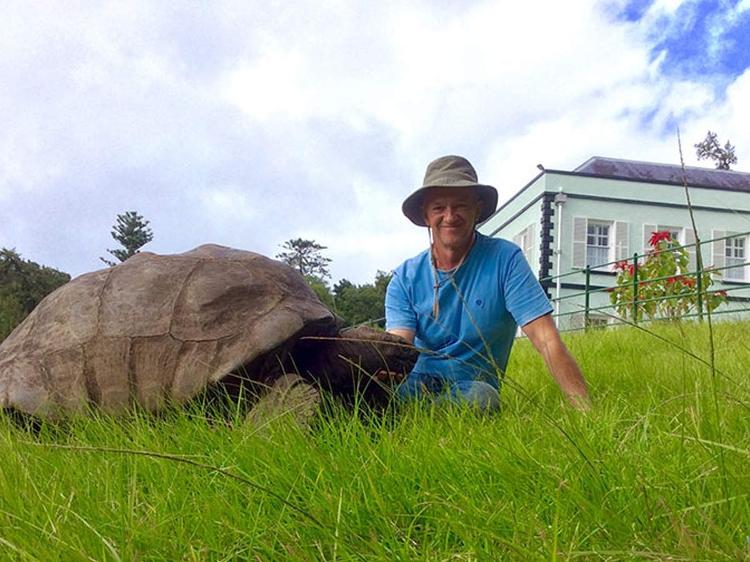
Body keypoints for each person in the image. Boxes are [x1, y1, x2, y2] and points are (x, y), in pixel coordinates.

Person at [383, 155, 590, 411]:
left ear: (477, 209)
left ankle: (408, 415)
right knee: (374, 391)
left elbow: (546, 337)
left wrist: (584, 409)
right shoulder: (404, 277)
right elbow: (398, 345)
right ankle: (411, 412)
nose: (450, 216)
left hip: (472, 387)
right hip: (415, 382)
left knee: (482, 398)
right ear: (426, 215)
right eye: (438, 208)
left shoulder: (506, 259)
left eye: (460, 205)